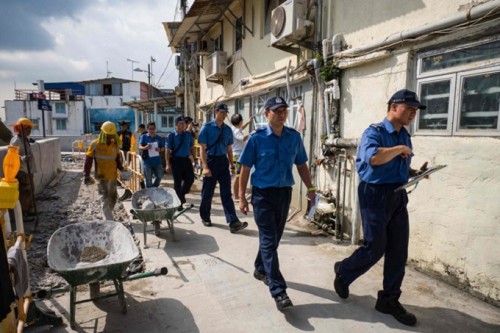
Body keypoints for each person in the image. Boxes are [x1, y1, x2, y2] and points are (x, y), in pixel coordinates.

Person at [333, 89, 428, 327]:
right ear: (394, 106)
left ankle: (388, 299)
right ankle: (344, 271)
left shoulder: (404, 135)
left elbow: (398, 167)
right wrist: (399, 150)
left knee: (398, 250)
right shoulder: (373, 132)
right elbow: (373, 158)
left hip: (397, 194)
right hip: (374, 194)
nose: (413, 114)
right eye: (410, 109)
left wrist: (416, 173)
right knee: (375, 247)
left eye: (416, 111)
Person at [238, 96, 316, 311]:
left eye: (284, 110)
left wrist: (310, 189)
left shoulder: (294, 137)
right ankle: (278, 290)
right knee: (268, 240)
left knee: (273, 239)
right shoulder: (256, 139)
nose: (281, 114)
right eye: (276, 111)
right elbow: (244, 169)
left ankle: (259, 268)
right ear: (267, 114)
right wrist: (242, 197)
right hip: (262, 195)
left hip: (284, 194)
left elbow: (301, 165)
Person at [198, 103, 247, 233]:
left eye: (226, 113)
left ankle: (233, 222)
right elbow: (202, 149)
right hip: (210, 161)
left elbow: (229, 149)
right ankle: (205, 216)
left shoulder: (227, 129)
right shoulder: (207, 128)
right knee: (207, 192)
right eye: (222, 112)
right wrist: (205, 167)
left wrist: (231, 164)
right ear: (216, 112)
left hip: (223, 162)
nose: (224, 115)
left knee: (226, 194)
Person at [83, 121, 127, 220]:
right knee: (105, 197)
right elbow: (88, 160)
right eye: (108, 135)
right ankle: (109, 221)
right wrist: (86, 175)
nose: (110, 137)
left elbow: (117, 160)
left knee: (113, 197)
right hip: (101, 176)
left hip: (112, 175)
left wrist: (122, 169)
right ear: (103, 133)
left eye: (112, 135)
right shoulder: (95, 144)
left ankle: (107, 214)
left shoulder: (114, 145)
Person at [10, 118, 37, 220]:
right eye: (29, 128)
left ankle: (29, 210)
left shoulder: (24, 139)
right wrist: (21, 158)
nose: (30, 130)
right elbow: (11, 154)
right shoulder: (16, 140)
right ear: (23, 129)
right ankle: (23, 215)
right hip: (22, 170)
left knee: (30, 191)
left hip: (28, 170)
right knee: (24, 192)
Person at [166, 116, 195, 210]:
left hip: (186, 160)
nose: (183, 125)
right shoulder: (171, 136)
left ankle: (180, 196)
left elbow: (191, 147)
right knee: (177, 182)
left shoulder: (188, 135)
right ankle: (179, 203)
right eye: (180, 123)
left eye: (184, 123)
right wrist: (167, 164)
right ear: (176, 124)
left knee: (190, 179)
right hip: (176, 160)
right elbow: (167, 150)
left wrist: (194, 158)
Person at [230, 113, 253, 201]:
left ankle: (237, 194)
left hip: (238, 154)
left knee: (238, 175)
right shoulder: (236, 131)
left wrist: (248, 122)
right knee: (237, 176)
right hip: (237, 156)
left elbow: (241, 128)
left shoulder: (234, 128)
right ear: (240, 121)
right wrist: (252, 134)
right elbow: (242, 138)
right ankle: (235, 196)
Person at [139, 122, 164, 188]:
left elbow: (163, 148)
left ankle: (154, 188)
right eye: (150, 129)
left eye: (153, 129)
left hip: (157, 161)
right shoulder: (143, 137)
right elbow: (140, 146)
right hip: (147, 162)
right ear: (147, 129)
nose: (151, 130)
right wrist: (145, 148)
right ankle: (150, 194)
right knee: (148, 180)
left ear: (155, 129)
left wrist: (160, 149)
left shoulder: (159, 138)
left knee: (160, 176)